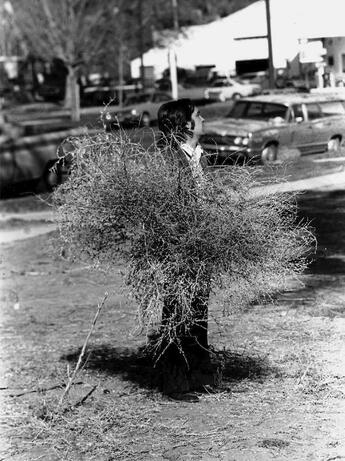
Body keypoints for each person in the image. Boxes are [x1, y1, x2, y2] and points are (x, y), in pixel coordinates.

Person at [157, 98, 207, 181]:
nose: (203, 119)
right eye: (197, 115)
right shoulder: (169, 158)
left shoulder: (200, 152)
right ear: (186, 123)